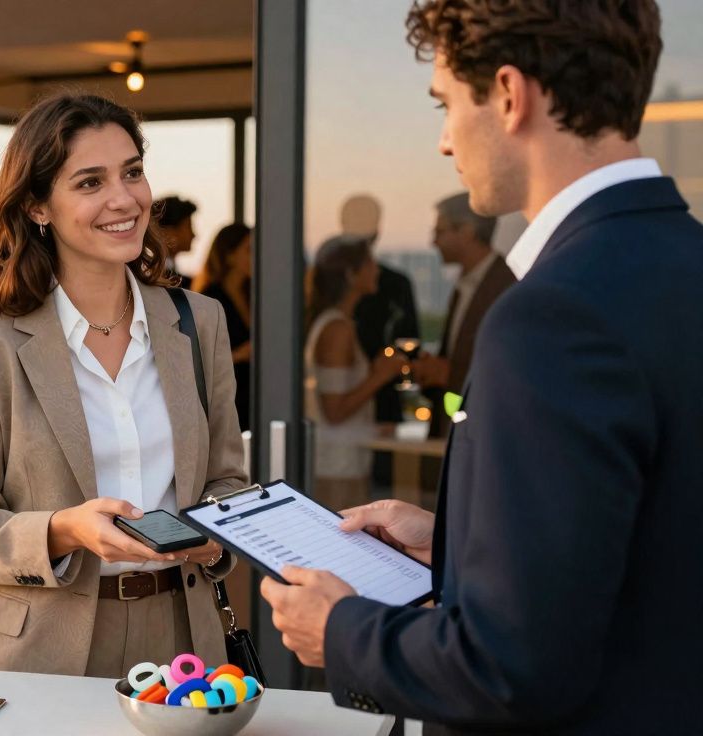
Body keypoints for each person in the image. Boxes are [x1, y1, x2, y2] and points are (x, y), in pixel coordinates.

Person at [261, 2, 703, 733]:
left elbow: (510, 668)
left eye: (444, 103)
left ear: (508, 94)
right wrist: (462, 543)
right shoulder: (684, 263)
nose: (441, 141)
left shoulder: (551, 316)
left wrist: (340, 633)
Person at [0, 92, 245, 678]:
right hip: (36, 649)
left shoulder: (198, 321)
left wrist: (215, 534)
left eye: (132, 172)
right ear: (38, 207)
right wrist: (65, 529)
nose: (124, 199)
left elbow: (227, 478)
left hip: (184, 642)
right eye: (90, 182)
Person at [303, 235, 408, 512]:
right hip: (337, 466)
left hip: (343, 462)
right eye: (370, 263)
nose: (378, 270)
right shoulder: (337, 329)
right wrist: (381, 375)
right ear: (351, 274)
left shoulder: (336, 323)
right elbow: (334, 410)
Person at [415, 193, 515, 439]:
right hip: (458, 434)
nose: (433, 242)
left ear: (468, 231)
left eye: (440, 232)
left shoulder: (507, 289)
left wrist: (448, 374)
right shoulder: (465, 287)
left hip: (485, 437)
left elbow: (511, 372)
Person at [342, 194, 419, 492]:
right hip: (355, 414)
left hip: (376, 411)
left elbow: (407, 349)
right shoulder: (394, 284)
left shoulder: (393, 284)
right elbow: (408, 346)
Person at [193, 223, 253, 431]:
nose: (257, 256)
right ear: (230, 256)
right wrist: (238, 355)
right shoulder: (210, 298)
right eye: (249, 250)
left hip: (253, 399)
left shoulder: (256, 295)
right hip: (226, 401)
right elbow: (196, 359)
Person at [153, 195, 198, 288]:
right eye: (188, 227)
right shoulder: (160, 279)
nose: (194, 235)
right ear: (169, 232)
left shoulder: (168, 274)